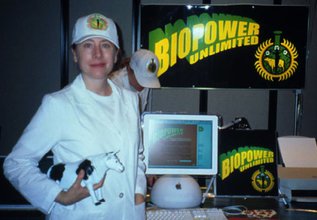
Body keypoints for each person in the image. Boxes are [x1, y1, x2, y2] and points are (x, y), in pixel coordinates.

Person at [3, 13, 146, 220]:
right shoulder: (58, 105)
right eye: (87, 45)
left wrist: (138, 193)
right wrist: (58, 196)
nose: (97, 54)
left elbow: (137, 157)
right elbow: (16, 163)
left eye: (106, 45)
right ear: (75, 54)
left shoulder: (131, 100)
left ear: (116, 55)